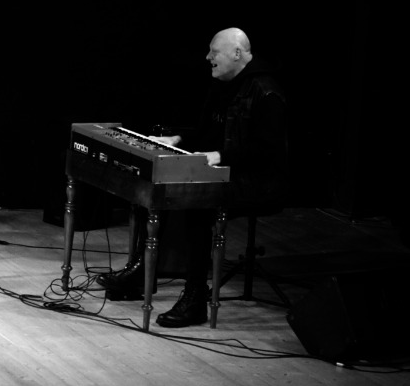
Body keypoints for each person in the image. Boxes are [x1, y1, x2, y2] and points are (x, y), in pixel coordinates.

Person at [97, 27, 288, 327]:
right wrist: (177, 139)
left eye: (214, 51)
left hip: (258, 182)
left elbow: (267, 152)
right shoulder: (222, 85)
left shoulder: (267, 92)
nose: (208, 57)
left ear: (237, 53)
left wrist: (220, 156)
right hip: (225, 172)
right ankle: (141, 272)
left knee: (197, 206)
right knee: (158, 183)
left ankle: (196, 299)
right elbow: (207, 133)